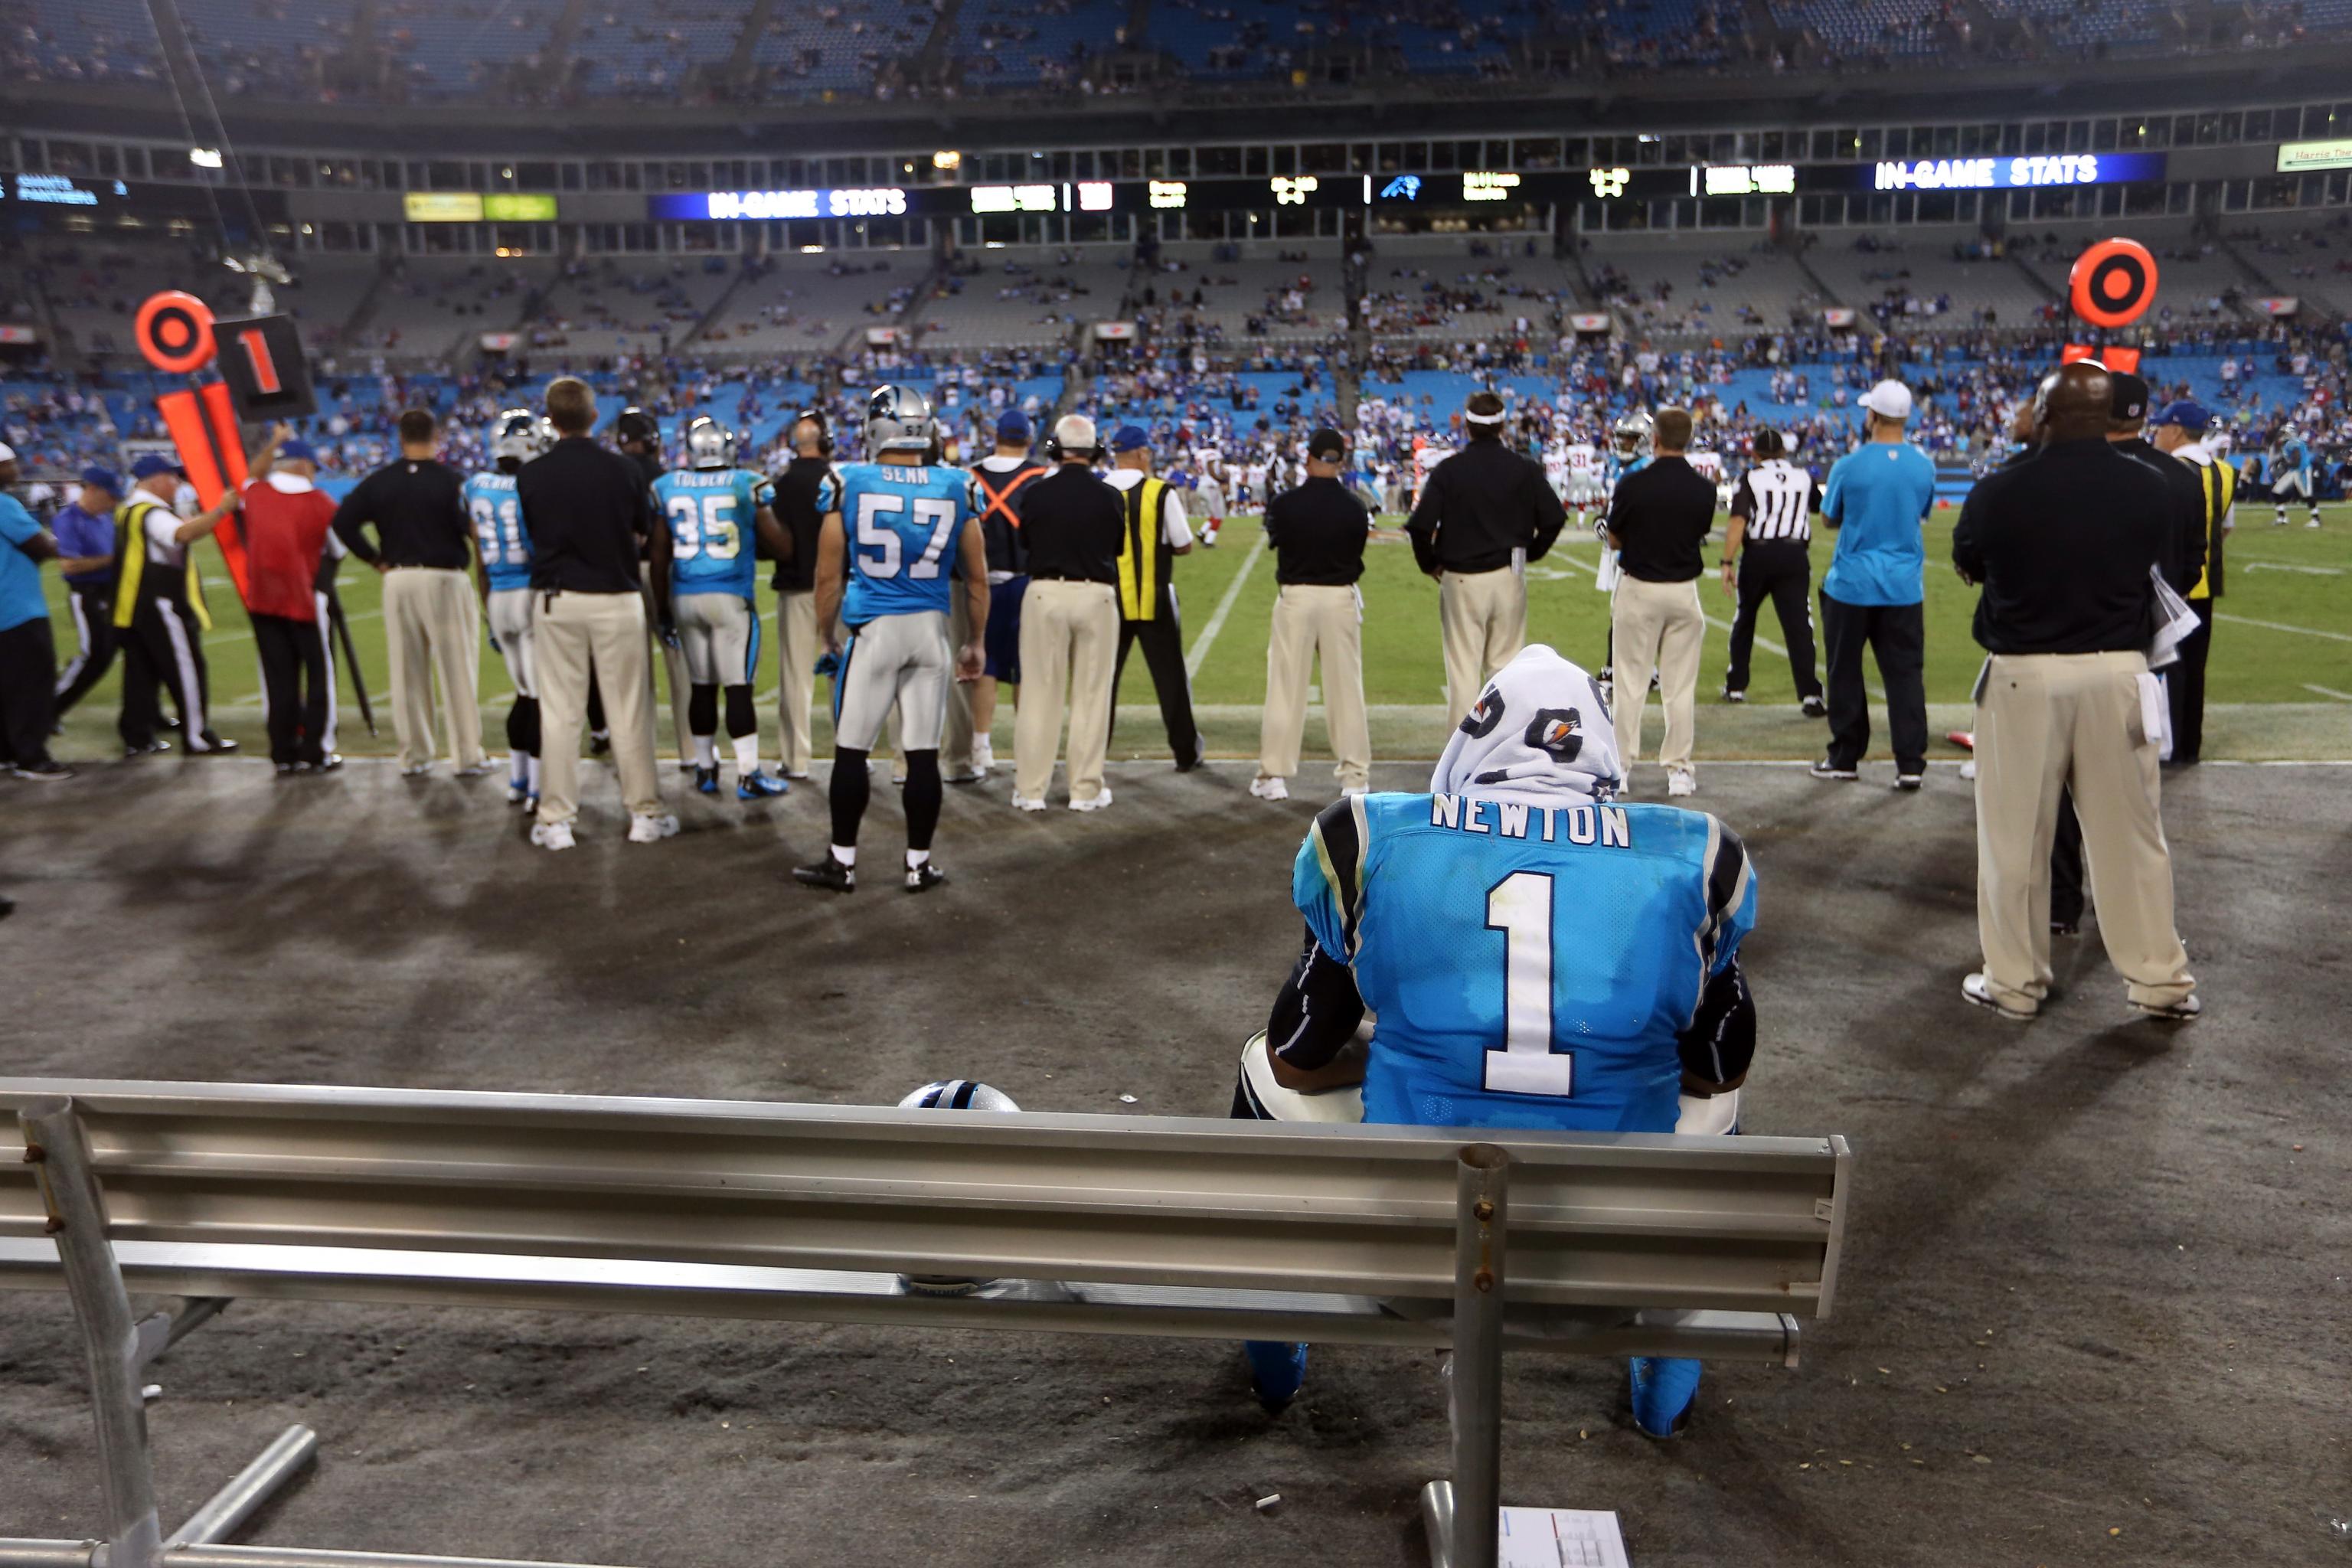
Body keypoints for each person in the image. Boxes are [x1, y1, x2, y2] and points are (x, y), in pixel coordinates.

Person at [1230, 644, 1757, 1435]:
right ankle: (1664, 1386)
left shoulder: (1372, 837)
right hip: (1609, 1260)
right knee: (1720, 1117)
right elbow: (1718, 1069)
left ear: (1474, 735)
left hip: (1414, 1256)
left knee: (1255, 1071)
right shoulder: (1696, 854)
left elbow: (1295, 1052)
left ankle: (1275, 1352)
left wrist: (1408, 1043)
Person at [1950, 361, 2199, 1024]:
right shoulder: (2154, 488)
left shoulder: (1999, 491)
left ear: (2048, 413)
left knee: (2015, 842)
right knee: (2134, 838)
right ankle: (2161, 981)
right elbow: (2164, 569)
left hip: (2024, 673)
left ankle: (2015, 982)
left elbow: (1971, 562)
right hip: (2119, 669)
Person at [792, 384, 985, 893]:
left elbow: (828, 577)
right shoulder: (957, 484)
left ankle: (843, 862)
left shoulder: (847, 480)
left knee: (852, 751)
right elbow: (978, 578)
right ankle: (919, 865)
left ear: (875, 428)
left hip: (875, 631)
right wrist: (977, 642)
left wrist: (826, 636)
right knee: (922, 755)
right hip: (931, 634)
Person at [516, 377, 678, 851]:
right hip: (617, 597)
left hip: (558, 598)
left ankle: (557, 820)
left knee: (561, 714)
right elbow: (642, 533)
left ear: (550, 421)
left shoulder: (531, 475)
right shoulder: (625, 470)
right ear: (593, 417)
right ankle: (644, 814)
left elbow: (537, 532)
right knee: (629, 711)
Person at [332, 408, 488, 778]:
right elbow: (474, 531)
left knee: (406, 672)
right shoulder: (453, 480)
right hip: (445, 578)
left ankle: (415, 757)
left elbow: (343, 522)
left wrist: (374, 559)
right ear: (437, 438)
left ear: (400, 439)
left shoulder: (380, 481)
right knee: (457, 670)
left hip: (398, 578)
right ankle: (467, 755)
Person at [1406, 391, 1569, 719]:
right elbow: (1554, 517)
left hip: (1461, 578)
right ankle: (1501, 755)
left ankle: (1461, 761)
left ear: (1467, 425)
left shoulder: (1449, 470)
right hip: (1509, 573)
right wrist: (1530, 554)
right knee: (1506, 671)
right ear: (1502, 426)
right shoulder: (1523, 468)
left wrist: (1431, 564)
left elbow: (1421, 526)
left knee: (1463, 672)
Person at [655, 415, 792, 802]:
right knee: (736, 689)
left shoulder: (667, 485)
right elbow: (781, 547)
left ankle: (705, 769)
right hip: (730, 597)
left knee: (700, 688)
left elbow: (660, 554)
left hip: (685, 597)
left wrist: (664, 610)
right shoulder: (747, 482)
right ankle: (748, 774)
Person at [1813, 379, 1936, 792]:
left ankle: (1845, 756)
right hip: (1903, 587)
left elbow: (1829, 517)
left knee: (1844, 671)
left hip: (1852, 584)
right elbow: (1921, 512)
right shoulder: (1924, 465)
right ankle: (1911, 763)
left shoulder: (1850, 464)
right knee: (1905, 675)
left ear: (1873, 416)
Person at [1010, 416, 1125, 812]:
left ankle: (1030, 790)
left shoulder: (1036, 493)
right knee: (1092, 697)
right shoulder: (1110, 496)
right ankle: (1084, 790)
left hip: (1044, 593)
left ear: (1056, 448)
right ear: (1095, 451)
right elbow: (1117, 548)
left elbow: (1026, 542)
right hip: (1096, 594)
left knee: (1039, 694)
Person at [1254, 428, 1372, 802]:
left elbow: (1276, 538)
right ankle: (1355, 776)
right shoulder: (1355, 506)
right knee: (1347, 690)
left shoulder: (1286, 504)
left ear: (1308, 458)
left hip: (1297, 598)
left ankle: (1274, 775)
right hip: (1340, 598)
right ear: (1340, 461)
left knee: (1286, 688)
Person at [1605, 407, 1715, 798]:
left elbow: (1615, 539)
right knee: (1679, 687)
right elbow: (1699, 530)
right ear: (1687, 440)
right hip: (1684, 591)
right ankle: (1679, 771)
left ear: (1655, 439)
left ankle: (1619, 767)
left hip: (1640, 588)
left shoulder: (1634, 485)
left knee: (1630, 684)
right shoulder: (1705, 488)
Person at [230, 426, 344, 776]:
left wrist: (274, 443)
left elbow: (252, 473)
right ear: (305, 466)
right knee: (319, 676)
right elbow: (337, 549)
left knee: (278, 679)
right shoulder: (321, 502)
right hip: (305, 599)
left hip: (263, 601)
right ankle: (317, 750)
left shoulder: (256, 493)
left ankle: (282, 752)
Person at [113, 455, 241, 759]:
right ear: (155, 479)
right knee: (187, 668)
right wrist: (222, 510)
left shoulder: (128, 510)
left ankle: (138, 735)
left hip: (134, 605)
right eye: (173, 478)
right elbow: (181, 535)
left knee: (142, 672)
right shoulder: (151, 512)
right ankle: (197, 736)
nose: (177, 484)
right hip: (161, 602)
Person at [466, 408, 554, 808]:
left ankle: (517, 780)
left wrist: (488, 613)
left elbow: (480, 563)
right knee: (539, 698)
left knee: (523, 693)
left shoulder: (475, 486)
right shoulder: (534, 486)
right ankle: (538, 787)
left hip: (498, 596)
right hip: (530, 593)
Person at [1101, 426, 1202, 770]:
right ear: (1142, 454)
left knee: (1101, 682)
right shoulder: (1160, 491)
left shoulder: (1099, 491)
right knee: (1170, 679)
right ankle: (1185, 754)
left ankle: (1093, 752)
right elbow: (1184, 543)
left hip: (1108, 602)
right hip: (1153, 599)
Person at [605, 406, 696, 764]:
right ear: (654, 441)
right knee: (681, 669)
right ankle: (692, 751)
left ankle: (636, 755)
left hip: (622, 579)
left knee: (633, 674)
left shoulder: (609, 477)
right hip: (664, 575)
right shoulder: (664, 477)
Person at [2150, 401, 2233, 766]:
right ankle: (2190, 747)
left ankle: (2167, 745)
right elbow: (2226, 527)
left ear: (2176, 431)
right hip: (2207, 583)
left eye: (2160, 428)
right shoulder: (2226, 473)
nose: (2155, 434)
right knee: (2196, 668)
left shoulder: (2163, 471)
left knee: (2167, 668)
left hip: (2169, 588)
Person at [965, 410, 1047, 782]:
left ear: (995, 436)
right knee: (1025, 671)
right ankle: (1026, 749)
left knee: (984, 666)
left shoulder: (969, 476)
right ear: (1028, 440)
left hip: (982, 582)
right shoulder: (1041, 477)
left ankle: (980, 747)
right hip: (1028, 583)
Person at [1719, 430, 1825, 715]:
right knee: (1799, 625)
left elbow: (1739, 520)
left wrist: (1726, 561)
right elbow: (1820, 508)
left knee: (1746, 618)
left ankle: (1736, 685)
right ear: (1782, 452)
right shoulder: (1803, 476)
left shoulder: (1750, 477)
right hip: (1794, 555)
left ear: (1755, 453)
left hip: (1759, 554)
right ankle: (1810, 694)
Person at [769, 411, 835, 779]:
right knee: (842, 676)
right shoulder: (839, 480)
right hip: (837, 589)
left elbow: (772, 539)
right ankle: (852, 752)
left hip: (795, 589)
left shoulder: (782, 483)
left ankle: (795, 759)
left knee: (796, 677)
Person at [0, 443, 72, 780]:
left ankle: (8, 752)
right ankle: (32, 757)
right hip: (17, 606)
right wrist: (56, 544)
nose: (16, 470)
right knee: (32, 684)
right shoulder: (4, 504)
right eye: (9, 464)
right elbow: (42, 547)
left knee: (7, 685)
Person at [49, 466, 122, 722]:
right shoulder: (68, 519)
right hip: (86, 593)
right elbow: (69, 564)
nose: (113, 501)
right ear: (92, 490)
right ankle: (48, 709)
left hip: (109, 591)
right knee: (94, 654)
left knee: (110, 652)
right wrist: (113, 560)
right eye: (110, 495)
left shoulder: (105, 518)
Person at [2270, 426, 2319, 528]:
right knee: (2277, 491)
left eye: (2284, 433)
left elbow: (2296, 461)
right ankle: (2282, 518)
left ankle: (2316, 519)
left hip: (2302, 470)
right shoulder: (2287, 444)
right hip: (2294, 471)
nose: (2281, 436)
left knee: (2307, 495)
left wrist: (2284, 465)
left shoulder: (2294, 442)